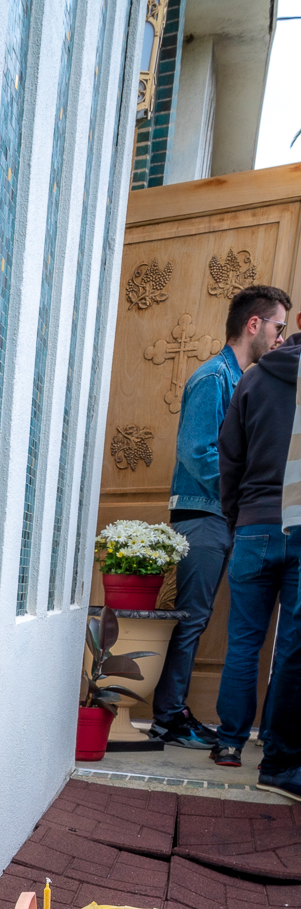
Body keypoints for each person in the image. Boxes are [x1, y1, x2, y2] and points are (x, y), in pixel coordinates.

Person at [149, 284, 292, 747]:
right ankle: (168, 718)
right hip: (203, 515)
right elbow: (197, 451)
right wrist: (244, 495)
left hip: (220, 515)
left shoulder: (240, 378)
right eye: (277, 326)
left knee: (197, 617)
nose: (280, 337)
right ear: (254, 324)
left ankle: (172, 713)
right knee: (192, 618)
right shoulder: (214, 377)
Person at [212, 307, 301, 792]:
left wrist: (237, 517)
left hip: (252, 525)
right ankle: (276, 746)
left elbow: (230, 457)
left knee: (244, 641)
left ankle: (228, 743)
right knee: (292, 644)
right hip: (298, 522)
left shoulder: (253, 378)